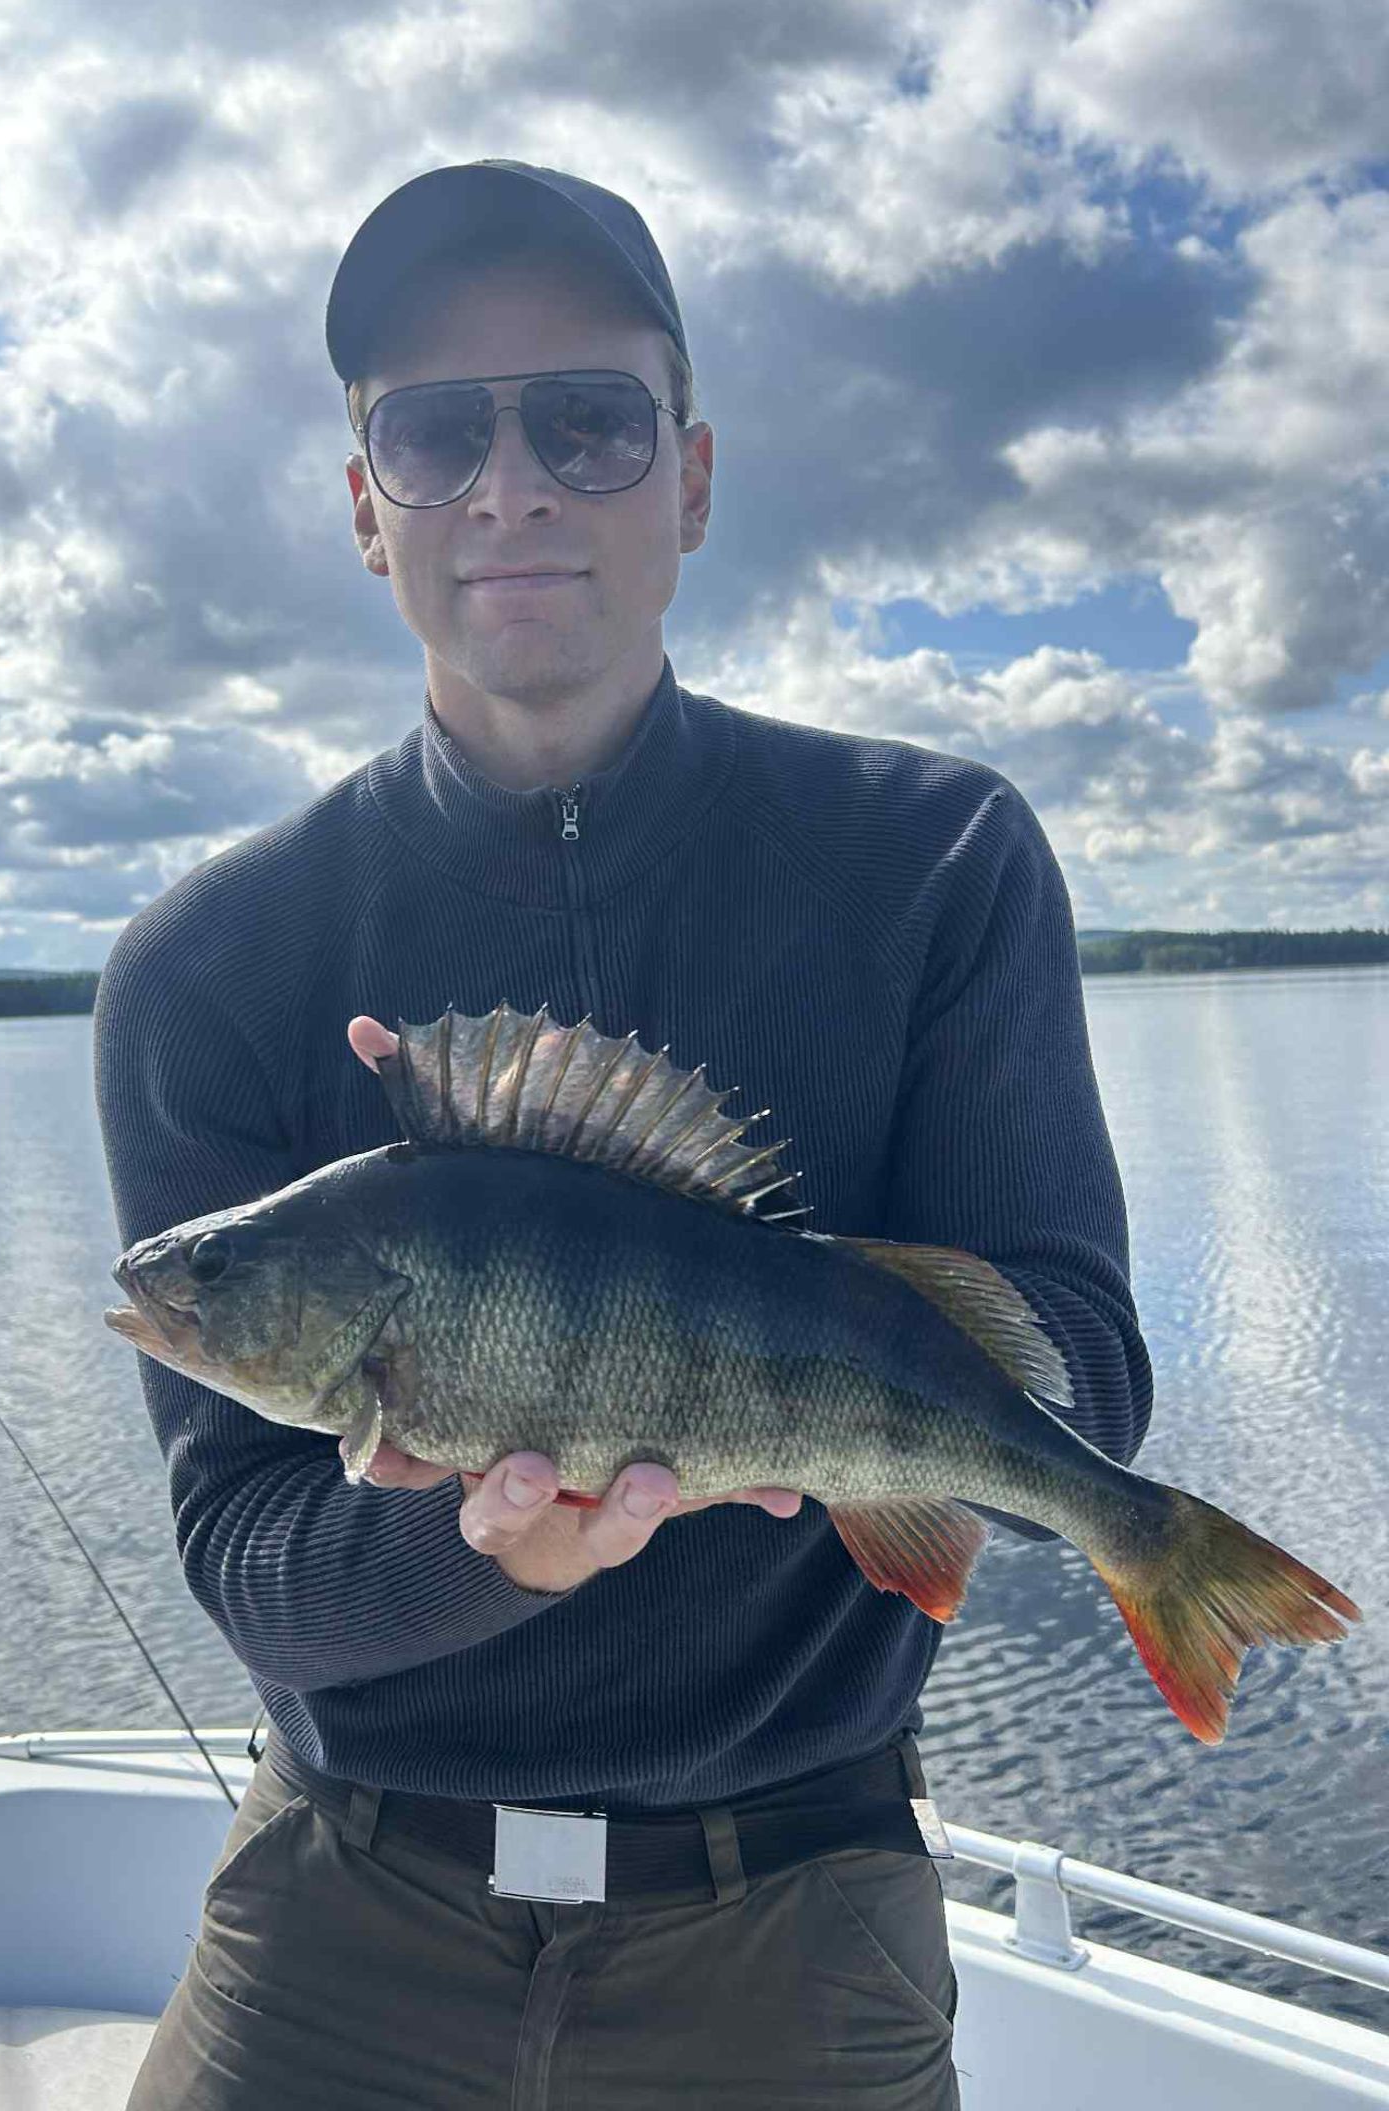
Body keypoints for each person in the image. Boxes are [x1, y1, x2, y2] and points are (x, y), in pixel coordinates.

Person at [95, 159, 1154, 2109]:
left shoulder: (936, 860)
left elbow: (1084, 1374)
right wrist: (494, 1549)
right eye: (435, 433)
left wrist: (846, 1365)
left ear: (692, 478)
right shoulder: (206, 966)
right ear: (365, 507)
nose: (510, 487)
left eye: (585, 421)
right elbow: (247, 1566)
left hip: (797, 1915)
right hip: (339, 1905)